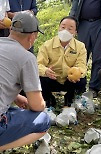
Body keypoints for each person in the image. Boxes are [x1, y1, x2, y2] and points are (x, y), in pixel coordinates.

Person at [0, 11, 50, 151]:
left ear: (11, 29)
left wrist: (16, 96)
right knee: (43, 121)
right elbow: (37, 105)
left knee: (10, 109)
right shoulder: (26, 58)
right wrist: (41, 104)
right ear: (32, 36)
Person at [37, 16, 87, 108]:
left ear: (75, 32)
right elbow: (38, 64)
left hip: (69, 80)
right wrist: (46, 71)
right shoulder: (47, 45)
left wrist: (77, 72)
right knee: (40, 78)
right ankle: (48, 99)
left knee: (82, 81)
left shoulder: (80, 46)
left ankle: (69, 98)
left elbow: (82, 65)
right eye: (63, 27)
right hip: (52, 79)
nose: (65, 31)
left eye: (70, 29)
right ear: (59, 28)